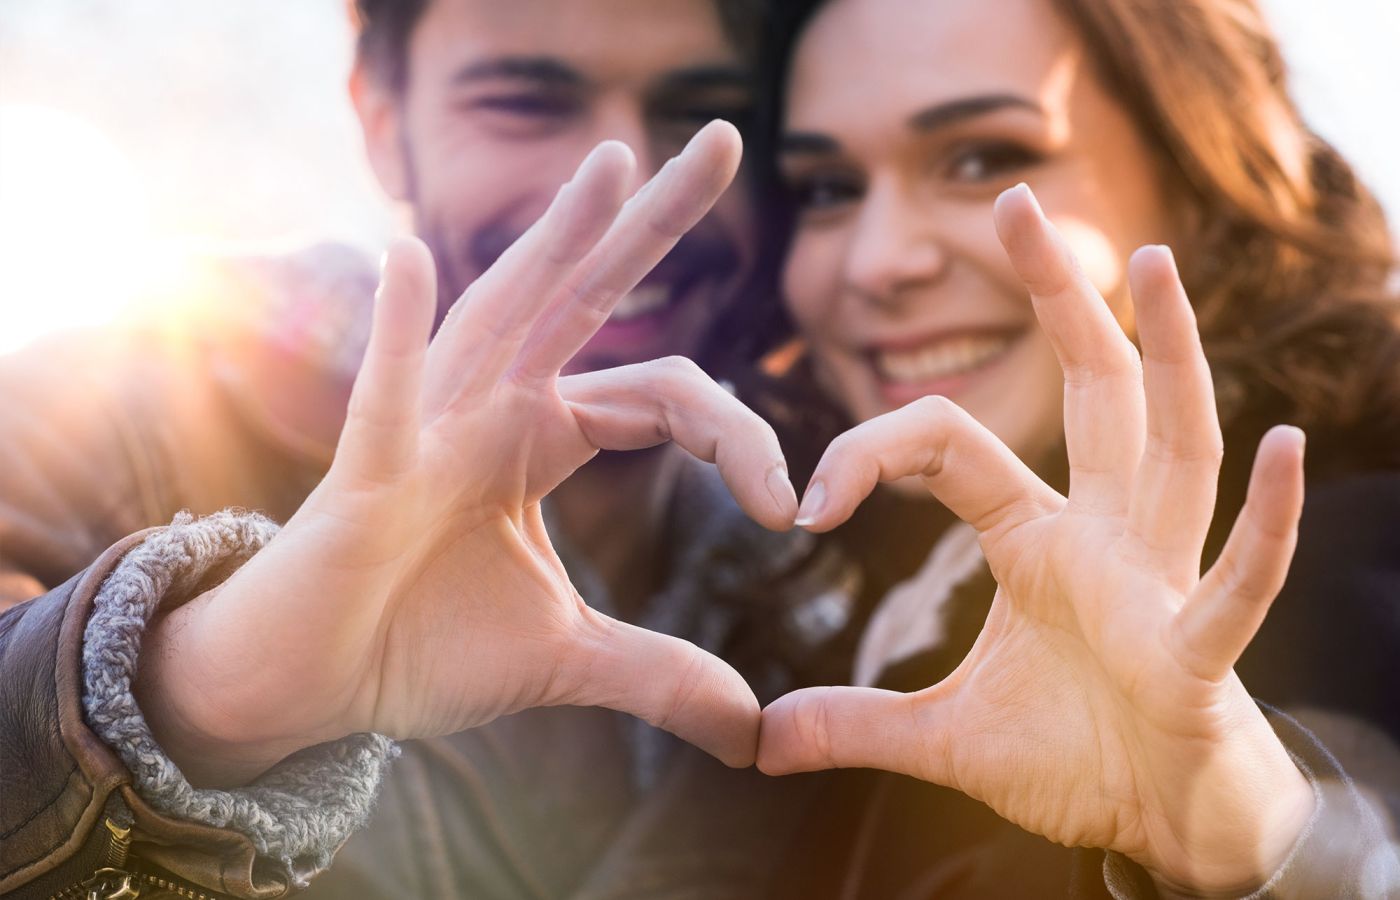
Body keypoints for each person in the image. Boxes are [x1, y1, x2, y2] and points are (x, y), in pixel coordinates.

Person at [0, 2, 829, 898]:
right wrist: (190, 693)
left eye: (702, 113)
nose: (623, 184)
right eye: (525, 103)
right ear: (383, 124)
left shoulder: (843, 560)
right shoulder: (113, 400)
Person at [730, 0, 1400, 894]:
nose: (875, 262)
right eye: (827, 188)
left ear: (1199, 171)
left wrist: (1261, 853)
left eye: (983, 160)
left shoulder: (1353, 574)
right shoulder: (837, 598)